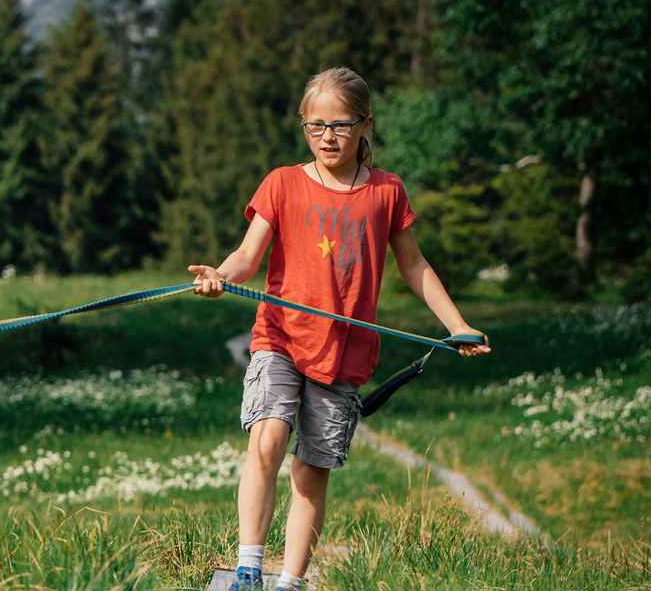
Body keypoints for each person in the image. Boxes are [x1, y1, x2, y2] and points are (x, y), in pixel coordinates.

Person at [187, 66, 494, 591]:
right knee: (268, 439)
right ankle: (248, 570)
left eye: (340, 124)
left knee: (310, 473)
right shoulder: (281, 184)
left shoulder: (386, 193)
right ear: (304, 126)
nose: (328, 136)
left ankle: (291, 582)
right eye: (316, 126)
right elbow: (246, 256)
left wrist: (458, 325)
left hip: (344, 355)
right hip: (280, 338)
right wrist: (219, 275)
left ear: (365, 125)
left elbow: (414, 267)